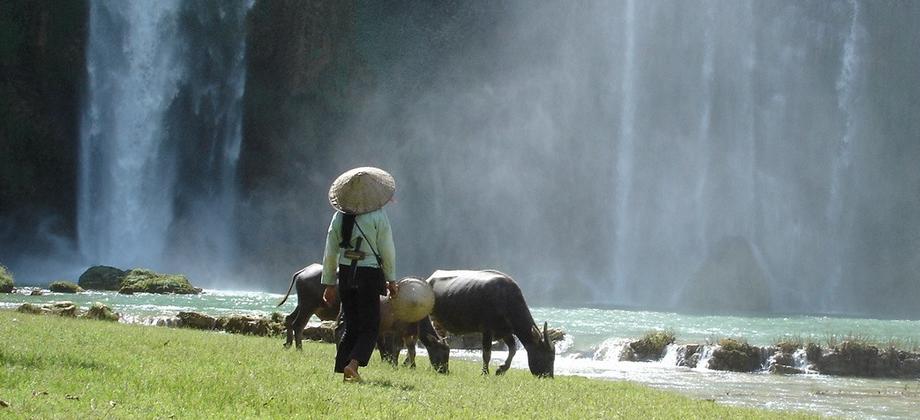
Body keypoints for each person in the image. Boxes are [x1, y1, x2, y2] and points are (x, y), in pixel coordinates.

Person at [321, 167, 399, 382]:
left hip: (346, 274)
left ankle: (345, 370)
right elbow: (387, 250)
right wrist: (392, 280)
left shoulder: (339, 217)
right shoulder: (378, 216)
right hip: (369, 274)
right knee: (371, 326)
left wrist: (328, 283)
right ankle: (353, 365)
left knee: (352, 323)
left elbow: (330, 252)